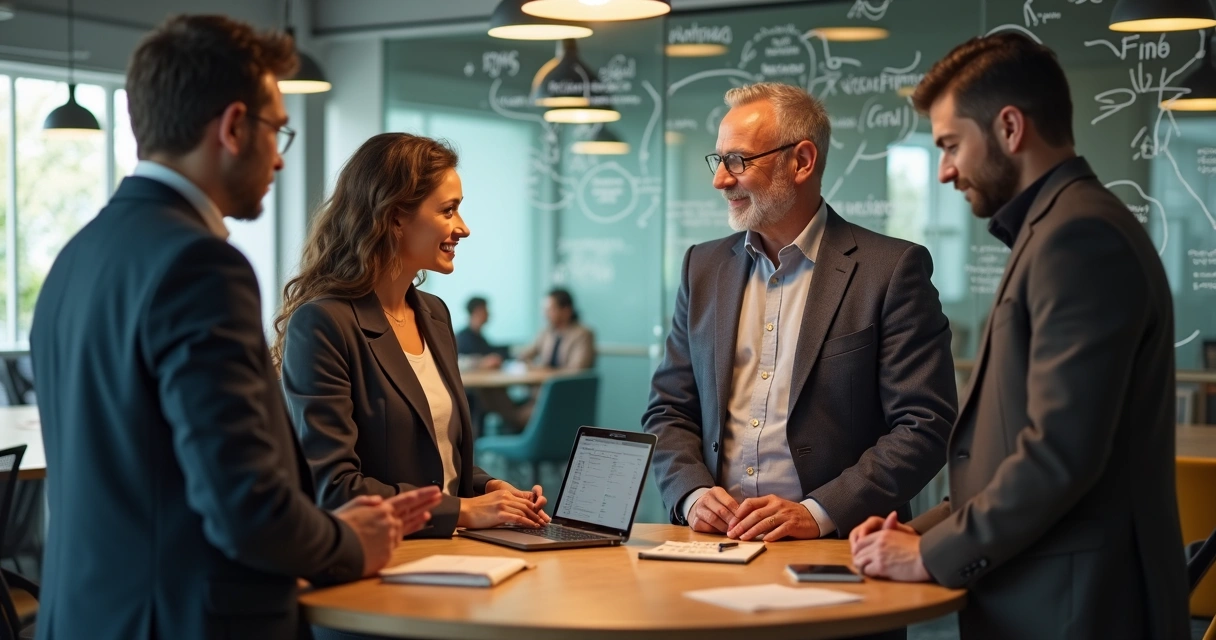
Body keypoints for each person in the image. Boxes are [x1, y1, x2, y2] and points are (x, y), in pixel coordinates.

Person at [29, 16, 442, 640]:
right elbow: (245, 507)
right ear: (232, 126)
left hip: (86, 617)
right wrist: (349, 540)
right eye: (277, 129)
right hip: (181, 620)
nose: (279, 156)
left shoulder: (78, 255)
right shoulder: (200, 266)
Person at [848, 33, 1190, 640]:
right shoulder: (1058, 227)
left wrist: (929, 558)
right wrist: (918, 533)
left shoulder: (1077, 238)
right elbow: (1011, 449)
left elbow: (1061, 453)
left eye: (951, 145)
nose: (946, 170)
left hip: (1079, 610)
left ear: (1009, 128)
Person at [643, 81, 957, 552]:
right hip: (712, 549)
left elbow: (925, 423)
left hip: (840, 549)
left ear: (802, 161)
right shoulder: (701, 268)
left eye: (738, 161)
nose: (720, 180)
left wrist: (818, 513)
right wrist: (690, 494)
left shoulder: (890, 270)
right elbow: (668, 409)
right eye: (719, 160)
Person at [274, 133, 550, 545]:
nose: (463, 228)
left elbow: (439, 460)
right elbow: (336, 490)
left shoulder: (435, 314)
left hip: (457, 555)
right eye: (448, 210)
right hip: (383, 561)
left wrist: (488, 489)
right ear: (395, 216)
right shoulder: (323, 323)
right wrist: (463, 510)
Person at [518, 288, 596, 370]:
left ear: (566, 310)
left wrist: (541, 369)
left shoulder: (583, 334)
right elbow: (527, 353)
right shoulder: (546, 332)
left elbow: (577, 369)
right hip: (544, 381)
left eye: (550, 309)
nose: (546, 314)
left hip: (567, 382)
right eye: (545, 310)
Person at [456, 295, 509, 370]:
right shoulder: (462, 338)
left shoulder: (479, 337)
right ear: (477, 311)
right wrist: (482, 362)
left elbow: (490, 351)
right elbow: (457, 361)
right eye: (485, 309)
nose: (488, 313)